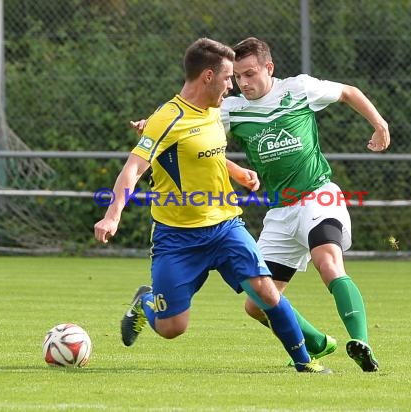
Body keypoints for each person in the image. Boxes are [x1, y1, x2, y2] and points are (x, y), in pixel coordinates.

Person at [94, 38, 330, 373]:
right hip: (177, 239)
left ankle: (305, 363)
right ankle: (146, 302)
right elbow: (133, 168)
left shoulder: (215, 111)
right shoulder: (168, 118)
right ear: (207, 76)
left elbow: (205, 153)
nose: (232, 85)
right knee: (172, 328)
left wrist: (237, 172)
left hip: (225, 227)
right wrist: (111, 216)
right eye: (227, 78)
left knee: (266, 291)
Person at [220, 37, 390, 372]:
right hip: (280, 213)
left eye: (250, 74)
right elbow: (198, 140)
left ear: (269, 68)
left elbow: (349, 92)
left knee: (328, 263)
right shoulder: (232, 110)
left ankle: (362, 342)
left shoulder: (298, 89)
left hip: (318, 196)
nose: (244, 82)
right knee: (256, 302)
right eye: (238, 76)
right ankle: (317, 343)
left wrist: (379, 124)